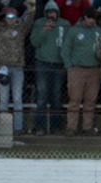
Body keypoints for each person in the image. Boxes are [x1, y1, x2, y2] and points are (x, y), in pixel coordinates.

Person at [0, 0, 36, 135]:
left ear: (16, 18)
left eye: (13, 16)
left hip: (17, 68)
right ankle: (3, 128)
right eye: (8, 16)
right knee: (3, 99)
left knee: (17, 99)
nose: (10, 19)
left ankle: (18, 128)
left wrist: (31, 10)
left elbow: (29, 21)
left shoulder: (21, 29)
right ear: (5, 17)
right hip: (3, 68)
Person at [30, 0, 69, 136]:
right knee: (42, 95)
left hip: (59, 64)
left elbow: (68, 45)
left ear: (57, 13)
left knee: (56, 96)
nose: (51, 15)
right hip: (42, 63)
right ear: (45, 13)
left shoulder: (65, 24)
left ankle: (56, 127)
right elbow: (34, 42)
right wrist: (44, 30)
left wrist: (66, 62)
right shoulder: (39, 23)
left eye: (53, 12)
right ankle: (40, 127)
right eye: (49, 12)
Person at [61, 6, 101, 136]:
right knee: (75, 100)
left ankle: (87, 127)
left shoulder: (99, 31)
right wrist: (69, 67)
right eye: (90, 18)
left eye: (94, 19)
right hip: (77, 70)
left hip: (94, 70)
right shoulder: (74, 31)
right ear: (85, 17)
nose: (92, 21)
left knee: (90, 100)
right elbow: (65, 50)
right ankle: (71, 128)